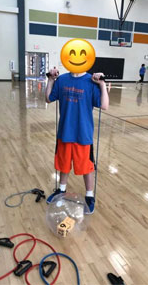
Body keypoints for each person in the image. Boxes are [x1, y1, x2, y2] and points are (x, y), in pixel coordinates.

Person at [45, 68, 109, 214]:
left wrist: (102, 84)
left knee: (86, 166)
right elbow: (48, 98)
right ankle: (61, 190)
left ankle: (89, 195)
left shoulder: (90, 80)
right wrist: (50, 80)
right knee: (64, 164)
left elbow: (104, 105)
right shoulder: (62, 80)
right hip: (65, 131)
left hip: (83, 133)